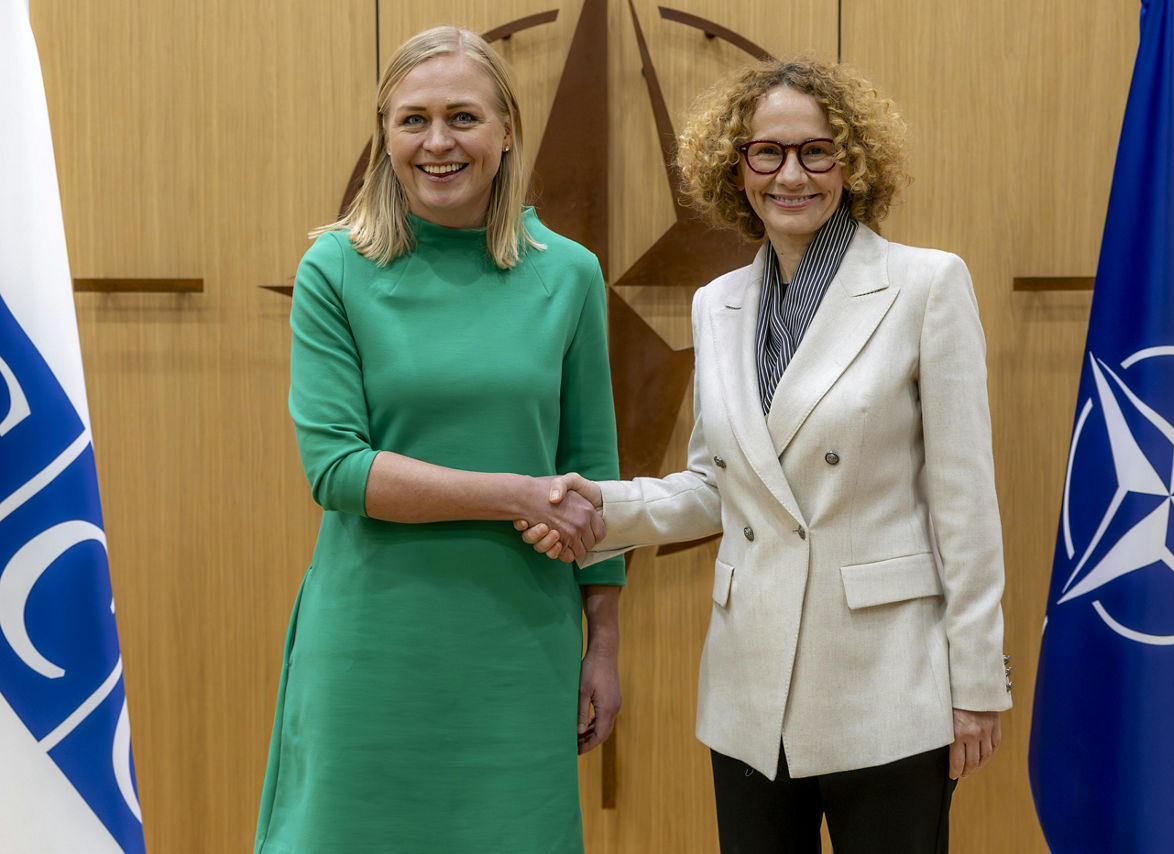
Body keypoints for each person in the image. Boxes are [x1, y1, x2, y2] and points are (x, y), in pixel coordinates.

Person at [519, 57, 1011, 853]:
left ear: (852, 163)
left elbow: (965, 503)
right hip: (751, 690)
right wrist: (592, 507)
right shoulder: (718, 304)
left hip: (891, 683)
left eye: (818, 151)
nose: (792, 174)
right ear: (736, 167)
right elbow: (718, 488)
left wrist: (980, 684)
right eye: (768, 153)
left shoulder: (926, 286)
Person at [254, 26, 624, 854]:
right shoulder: (335, 270)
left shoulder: (568, 273)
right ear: (385, 136)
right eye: (412, 119)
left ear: (505, 131)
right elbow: (338, 469)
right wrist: (514, 494)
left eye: (463, 117)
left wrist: (603, 642)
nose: (438, 142)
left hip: (520, 641)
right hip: (373, 638)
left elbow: (593, 467)